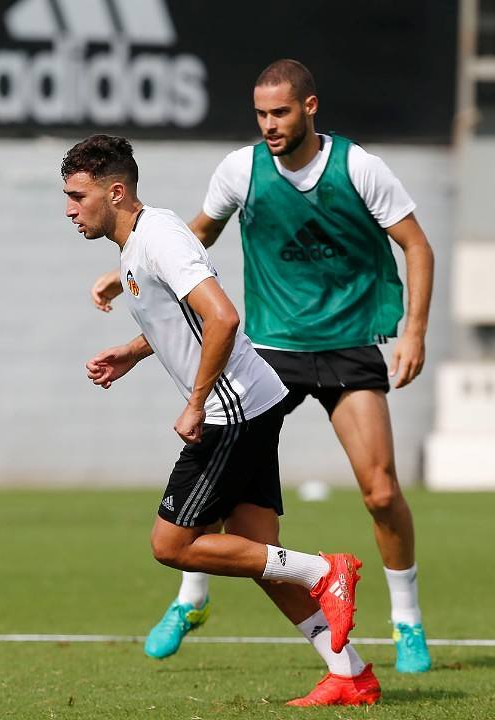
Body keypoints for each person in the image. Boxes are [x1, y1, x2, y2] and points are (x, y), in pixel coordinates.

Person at [89, 59, 435, 675]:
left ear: (310, 107)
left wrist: (412, 331)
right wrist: (132, 276)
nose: (269, 125)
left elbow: (415, 244)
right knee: (240, 524)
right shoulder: (237, 172)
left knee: (379, 491)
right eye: (260, 114)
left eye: (280, 112)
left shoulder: (357, 167)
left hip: (346, 344)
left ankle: (402, 618)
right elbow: (193, 241)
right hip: (273, 346)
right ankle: (320, 658)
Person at [63, 134, 380, 707]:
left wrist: (195, 401)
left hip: (230, 410)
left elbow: (222, 317)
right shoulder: (137, 244)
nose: (68, 209)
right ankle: (350, 674)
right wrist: (132, 353)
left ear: (115, 192)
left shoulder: (158, 238)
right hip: (249, 404)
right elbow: (184, 322)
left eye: (76, 195)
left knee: (171, 545)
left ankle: (323, 570)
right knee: (260, 556)